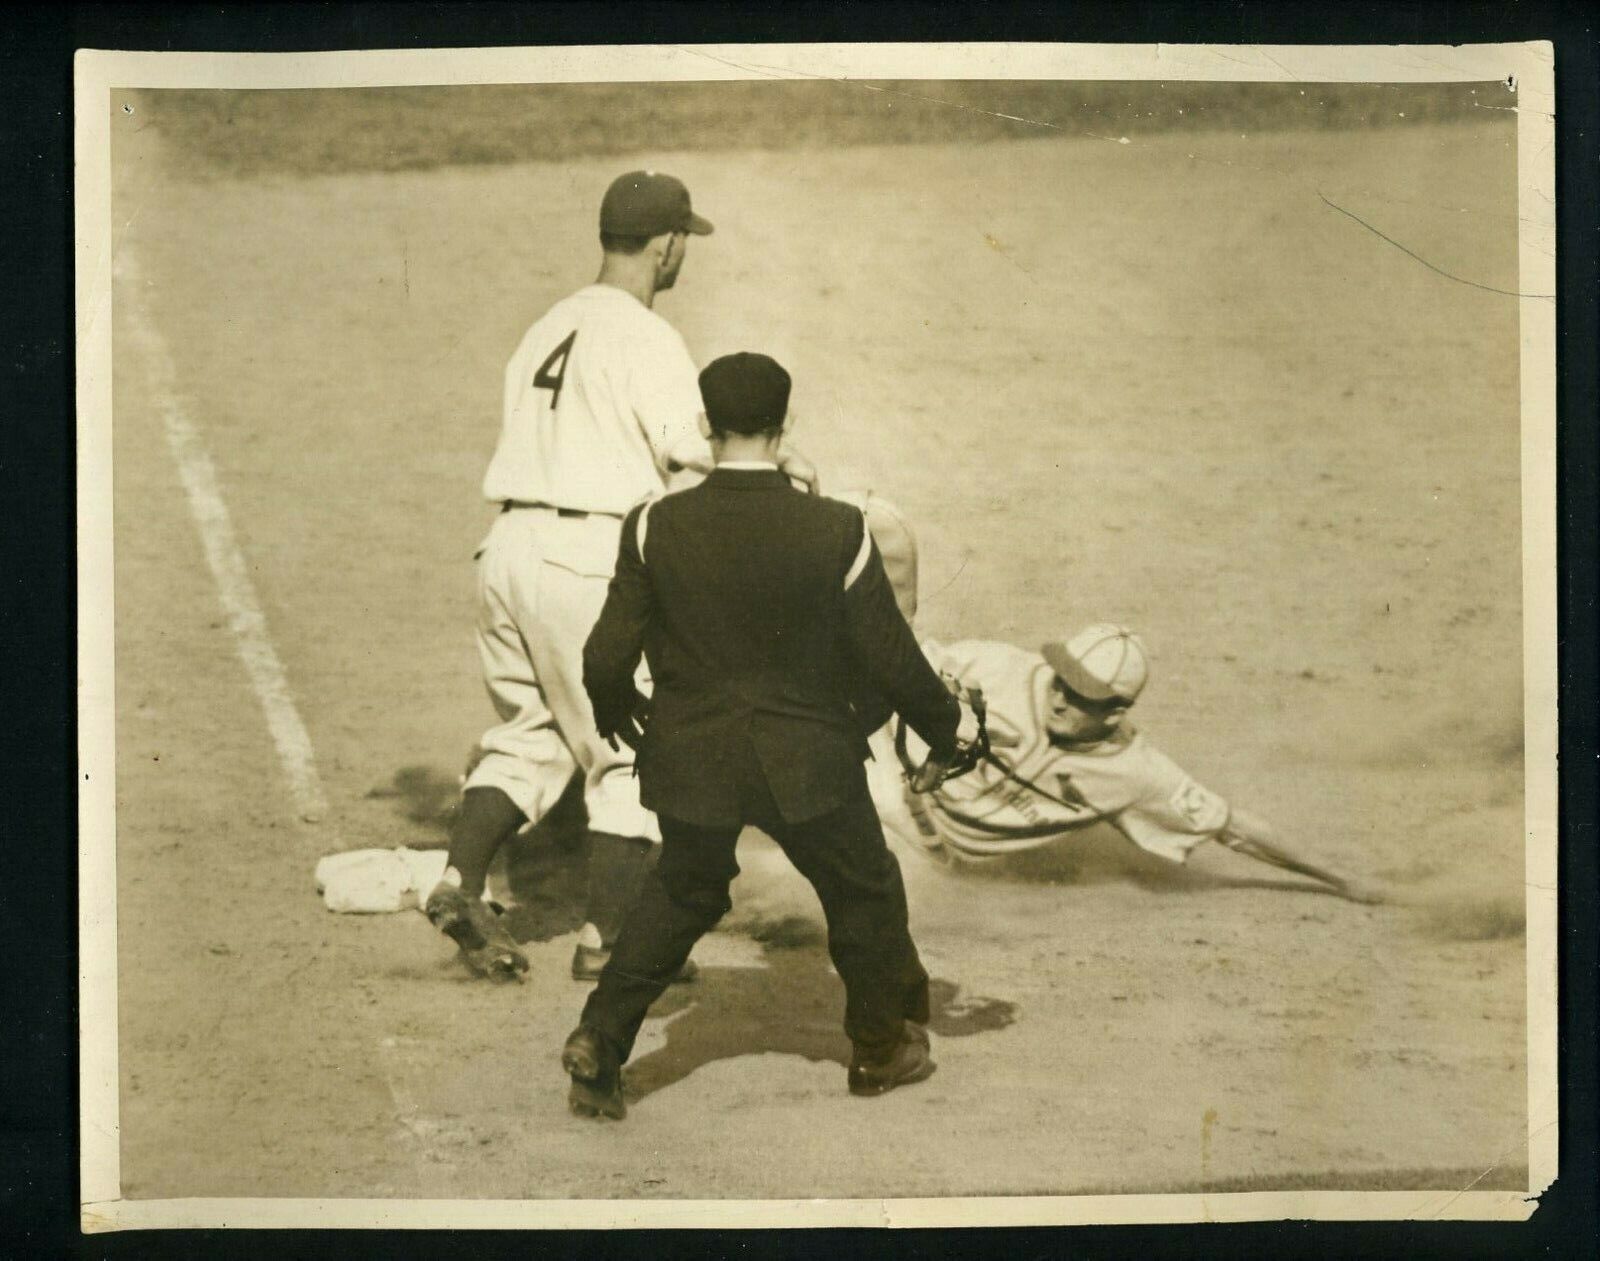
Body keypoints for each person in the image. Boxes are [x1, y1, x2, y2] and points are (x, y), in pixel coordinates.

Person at [560, 352, 977, 1119]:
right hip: (809, 758)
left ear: (703, 427)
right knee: (862, 886)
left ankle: (601, 1037)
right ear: (785, 429)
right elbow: (890, 655)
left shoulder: (654, 522)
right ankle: (880, 1048)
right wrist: (948, 731)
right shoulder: (837, 527)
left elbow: (604, 654)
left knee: (683, 887)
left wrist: (615, 704)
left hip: (693, 755)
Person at [425, 172, 817, 982]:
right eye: (684, 242)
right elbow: (693, 448)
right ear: (668, 243)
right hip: (586, 561)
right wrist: (784, 466)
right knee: (631, 745)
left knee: (534, 733)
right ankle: (609, 942)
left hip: (506, 552)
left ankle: (459, 880)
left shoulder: (547, 325)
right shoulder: (643, 335)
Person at [878, 624, 1387, 904]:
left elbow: (1231, 827)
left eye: (1081, 697)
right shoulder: (995, 665)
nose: (1059, 699)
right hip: (885, 784)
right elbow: (886, 658)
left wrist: (1340, 879)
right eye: (1061, 680)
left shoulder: (1137, 774)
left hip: (938, 864)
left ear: (1115, 712)